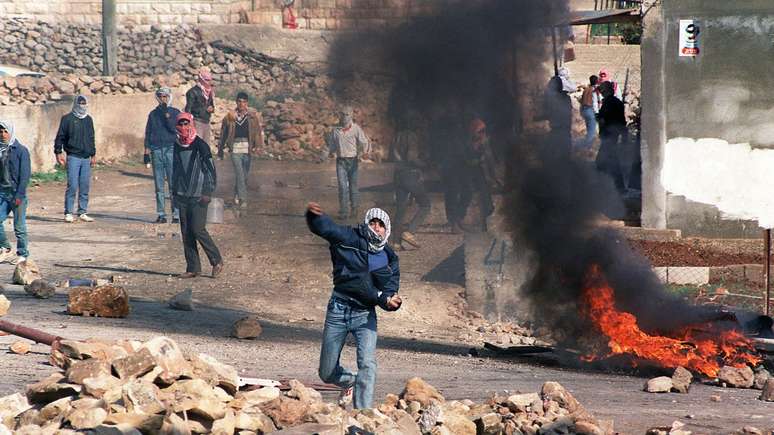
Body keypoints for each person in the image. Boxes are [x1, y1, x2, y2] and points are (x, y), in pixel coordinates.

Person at [306, 202, 401, 409]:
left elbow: (389, 291)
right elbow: (327, 229)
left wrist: (392, 302)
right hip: (338, 309)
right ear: (366, 223)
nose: (376, 227)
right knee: (326, 372)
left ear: (387, 229)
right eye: (373, 222)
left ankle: (363, 416)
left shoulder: (389, 257)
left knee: (367, 364)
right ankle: (349, 381)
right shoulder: (350, 238)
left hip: (365, 315)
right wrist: (315, 217)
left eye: (381, 225)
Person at [171, 112, 224, 279]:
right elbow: (176, 170)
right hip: (182, 194)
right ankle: (193, 268)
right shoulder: (177, 145)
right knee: (186, 231)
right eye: (181, 124)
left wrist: (208, 192)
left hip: (199, 195)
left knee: (198, 229)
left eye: (187, 124)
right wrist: (174, 192)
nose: (184, 127)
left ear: (191, 125)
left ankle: (216, 261)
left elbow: (210, 170)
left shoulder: (201, 145)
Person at [218, 92, 264, 208]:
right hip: (235, 149)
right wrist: (220, 149)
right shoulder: (230, 117)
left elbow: (257, 133)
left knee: (244, 175)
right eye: (239, 101)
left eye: (244, 101)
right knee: (239, 173)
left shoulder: (252, 117)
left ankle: (236, 196)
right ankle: (243, 200)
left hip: (247, 149)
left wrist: (258, 146)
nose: (241, 104)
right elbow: (223, 133)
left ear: (247, 103)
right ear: (236, 102)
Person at [323, 106, 371, 219]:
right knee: (342, 187)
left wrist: (364, 152)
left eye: (347, 114)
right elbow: (331, 145)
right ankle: (344, 211)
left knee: (353, 186)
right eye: (343, 114)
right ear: (340, 115)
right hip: (340, 161)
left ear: (351, 116)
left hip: (353, 161)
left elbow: (364, 142)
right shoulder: (335, 131)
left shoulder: (356, 129)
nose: (344, 117)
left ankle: (354, 208)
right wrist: (325, 155)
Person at [55, 94, 96, 223]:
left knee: (84, 185)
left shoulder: (88, 119)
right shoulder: (67, 119)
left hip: (86, 157)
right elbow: (60, 136)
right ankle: (68, 212)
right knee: (72, 185)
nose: (82, 106)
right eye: (80, 103)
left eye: (84, 104)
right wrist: (58, 152)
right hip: (73, 156)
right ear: (75, 104)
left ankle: (82, 211)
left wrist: (93, 154)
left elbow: (91, 137)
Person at [144, 87, 181, 223]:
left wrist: (168, 116)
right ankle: (161, 214)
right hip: (156, 150)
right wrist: (146, 151)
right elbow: (148, 132)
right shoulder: (153, 114)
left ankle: (176, 214)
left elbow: (175, 130)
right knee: (159, 185)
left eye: (166, 96)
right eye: (161, 96)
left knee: (173, 184)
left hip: (171, 149)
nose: (163, 99)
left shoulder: (175, 112)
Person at [392, 129, 430, 249]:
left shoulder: (397, 135)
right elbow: (411, 158)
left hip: (398, 174)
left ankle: (396, 242)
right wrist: (425, 164)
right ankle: (409, 232)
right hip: (410, 174)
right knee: (425, 205)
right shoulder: (411, 136)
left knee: (400, 209)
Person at [0, 121, 30, 264]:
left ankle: (23, 253)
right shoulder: (0, 149)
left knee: (19, 226)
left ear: (11, 132)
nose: (3, 135)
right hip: (2, 192)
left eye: (5, 131)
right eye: (0, 132)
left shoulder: (21, 150)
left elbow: (25, 175)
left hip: (16, 193)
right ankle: (5, 248)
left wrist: (19, 195)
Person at [596, 81, 627, 191]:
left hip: (608, 135)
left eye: (602, 91)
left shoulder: (608, 103)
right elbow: (622, 121)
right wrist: (624, 135)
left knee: (601, 163)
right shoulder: (618, 102)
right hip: (614, 134)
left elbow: (604, 118)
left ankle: (599, 186)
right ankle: (618, 186)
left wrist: (598, 116)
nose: (601, 93)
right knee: (612, 160)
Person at [185, 69, 215, 144]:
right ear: (201, 80)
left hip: (206, 122)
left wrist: (212, 109)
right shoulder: (192, 92)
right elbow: (188, 109)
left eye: (209, 80)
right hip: (197, 121)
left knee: (206, 146)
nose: (209, 82)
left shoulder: (209, 92)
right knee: (197, 145)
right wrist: (190, 125)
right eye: (207, 80)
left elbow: (211, 105)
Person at [578, 75, 599, 150]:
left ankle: (585, 147)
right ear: (597, 81)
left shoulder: (586, 89)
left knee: (589, 129)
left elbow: (581, 100)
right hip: (590, 110)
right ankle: (584, 147)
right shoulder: (595, 90)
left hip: (584, 109)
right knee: (591, 132)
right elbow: (596, 102)